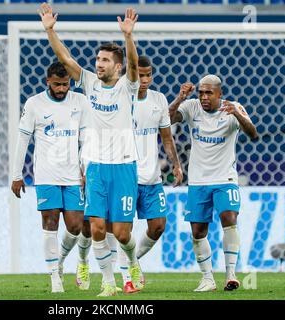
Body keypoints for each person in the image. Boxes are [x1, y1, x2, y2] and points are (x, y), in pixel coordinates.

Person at [39, 3, 143, 296]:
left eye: (105, 60)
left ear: (117, 66)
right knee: (96, 227)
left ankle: (133, 261)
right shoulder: (89, 83)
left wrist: (128, 37)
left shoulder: (127, 86)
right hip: (96, 165)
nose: (99, 64)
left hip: (124, 165)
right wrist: (50, 30)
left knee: (122, 234)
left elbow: (135, 66)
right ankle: (109, 283)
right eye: (97, 59)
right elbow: (66, 58)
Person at [169, 75, 258, 292]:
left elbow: (253, 134)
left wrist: (237, 114)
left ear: (219, 94)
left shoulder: (233, 108)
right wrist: (180, 98)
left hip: (225, 178)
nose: (203, 97)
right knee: (198, 231)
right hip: (198, 181)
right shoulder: (191, 107)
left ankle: (231, 274)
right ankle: (207, 279)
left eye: (209, 93)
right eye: (201, 92)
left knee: (229, 217)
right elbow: (167, 119)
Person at [11, 62, 92, 293]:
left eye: (65, 84)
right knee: (50, 224)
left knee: (76, 226)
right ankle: (54, 278)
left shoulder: (80, 102)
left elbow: (86, 140)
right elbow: (23, 140)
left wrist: (85, 168)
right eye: (57, 84)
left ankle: (60, 260)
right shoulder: (34, 104)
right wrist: (17, 175)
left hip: (74, 176)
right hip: (46, 175)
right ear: (47, 81)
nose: (61, 89)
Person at [115, 56, 183, 292]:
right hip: (125, 175)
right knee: (125, 231)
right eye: (140, 75)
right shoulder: (120, 98)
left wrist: (176, 164)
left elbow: (166, 137)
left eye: (148, 75)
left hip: (152, 178)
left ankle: (133, 261)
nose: (144, 80)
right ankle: (129, 272)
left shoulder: (159, 99)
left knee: (158, 226)